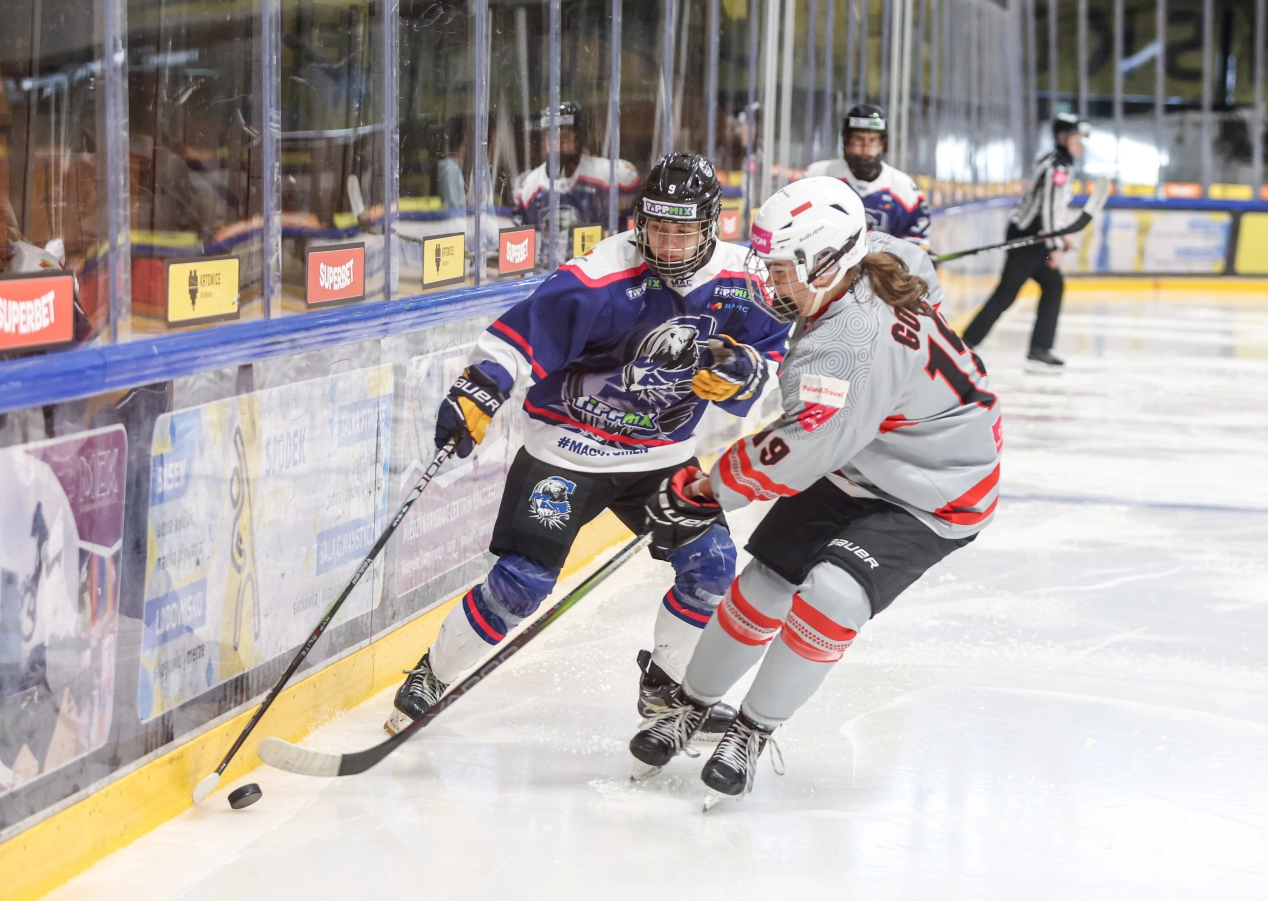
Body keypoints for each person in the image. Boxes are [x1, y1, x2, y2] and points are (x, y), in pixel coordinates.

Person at [387, 153, 792, 739]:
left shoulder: (744, 281)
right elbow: (518, 339)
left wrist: (747, 372)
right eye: (658, 228)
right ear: (639, 221)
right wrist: (479, 390)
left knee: (712, 567)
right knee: (522, 583)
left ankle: (666, 692)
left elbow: (773, 350)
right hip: (568, 449)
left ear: (711, 227)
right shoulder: (600, 274)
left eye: (683, 232)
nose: (669, 245)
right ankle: (432, 675)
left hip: (661, 459)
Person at [627, 176, 1002, 801]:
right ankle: (690, 705)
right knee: (765, 583)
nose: (769, 282)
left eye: (780, 269)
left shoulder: (848, 346)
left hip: (936, 488)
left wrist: (705, 489)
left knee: (832, 594)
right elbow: (915, 267)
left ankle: (751, 730)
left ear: (825, 261)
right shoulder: (877, 257)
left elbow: (804, 444)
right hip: (867, 455)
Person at [962, 113, 1091, 372]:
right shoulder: (1057, 168)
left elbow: (1051, 210)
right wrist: (1054, 247)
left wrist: (1061, 236)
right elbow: (1048, 212)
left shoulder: (1058, 162)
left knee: (1052, 285)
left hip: (1036, 237)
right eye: (1076, 138)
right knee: (1007, 294)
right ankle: (964, 345)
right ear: (1062, 138)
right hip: (1029, 239)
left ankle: (1039, 349)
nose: (1080, 144)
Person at [513, 101, 640, 263]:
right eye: (551, 137)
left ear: (580, 137)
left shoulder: (611, 175)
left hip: (598, 269)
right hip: (548, 272)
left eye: (565, 137)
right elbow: (519, 249)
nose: (558, 144)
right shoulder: (528, 187)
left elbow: (634, 221)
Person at [804, 104, 932, 252]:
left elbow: (917, 240)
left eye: (872, 140)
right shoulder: (816, 177)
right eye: (858, 139)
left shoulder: (905, 189)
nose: (865, 147)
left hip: (881, 267)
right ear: (846, 141)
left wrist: (913, 253)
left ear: (882, 144)